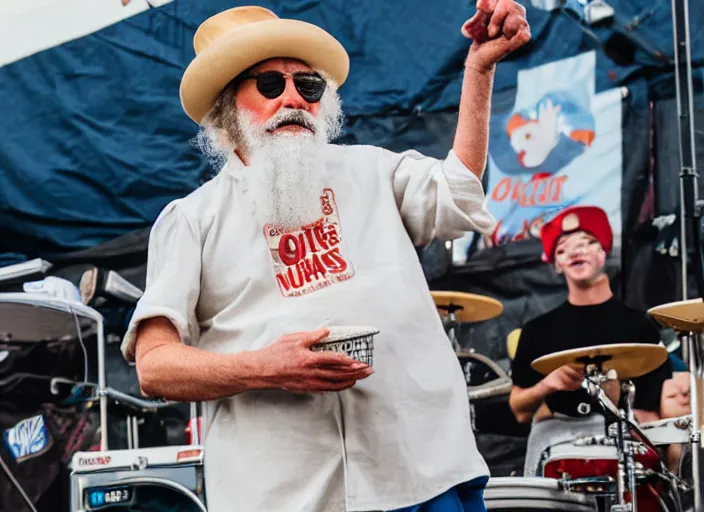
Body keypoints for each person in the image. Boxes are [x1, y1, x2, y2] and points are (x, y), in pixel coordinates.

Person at [120, 2, 531, 511]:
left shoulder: (373, 171)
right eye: (269, 85)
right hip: (285, 493)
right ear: (228, 109)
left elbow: (458, 191)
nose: (293, 98)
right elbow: (155, 367)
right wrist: (263, 368)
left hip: (418, 470)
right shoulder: (191, 219)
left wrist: (480, 69)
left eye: (308, 86)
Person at [508, 205, 674, 476]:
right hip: (557, 442)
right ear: (556, 264)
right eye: (563, 248)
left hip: (622, 441)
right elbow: (519, 411)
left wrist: (617, 399)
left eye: (587, 242)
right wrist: (548, 385)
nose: (576, 251)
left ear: (603, 252)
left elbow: (654, 411)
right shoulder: (537, 330)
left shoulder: (639, 325)